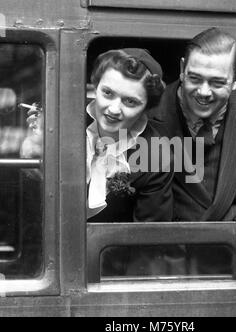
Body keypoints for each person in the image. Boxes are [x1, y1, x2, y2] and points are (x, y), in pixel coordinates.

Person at [21, 48, 176, 276]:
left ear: (147, 107)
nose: (113, 109)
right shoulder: (56, 119)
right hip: (42, 262)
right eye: (107, 93)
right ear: (94, 86)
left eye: (130, 102)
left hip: (112, 270)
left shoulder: (157, 152)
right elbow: (27, 208)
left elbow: (148, 240)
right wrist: (32, 155)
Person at [150, 27, 236, 223]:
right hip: (165, 248)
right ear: (182, 69)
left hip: (231, 247)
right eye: (195, 78)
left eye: (217, 83)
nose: (204, 92)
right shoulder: (147, 115)